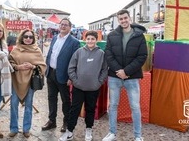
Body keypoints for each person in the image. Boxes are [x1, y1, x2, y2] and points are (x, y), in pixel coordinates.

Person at [102, 9, 147, 141]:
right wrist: (119, 71)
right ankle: (112, 133)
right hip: (115, 76)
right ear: (118, 20)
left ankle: (138, 136)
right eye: (121, 19)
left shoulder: (139, 35)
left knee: (135, 106)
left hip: (132, 77)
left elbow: (142, 56)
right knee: (113, 105)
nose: (123, 21)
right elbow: (108, 55)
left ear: (129, 18)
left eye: (125, 18)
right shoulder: (111, 35)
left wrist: (126, 71)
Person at [59, 30, 108, 141]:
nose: (90, 41)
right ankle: (70, 131)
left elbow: (105, 70)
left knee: (90, 109)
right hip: (78, 87)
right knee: (74, 109)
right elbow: (71, 68)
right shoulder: (79, 52)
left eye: (93, 39)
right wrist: (75, 81)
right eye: (88, 39)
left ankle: (89, 130)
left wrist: (99, 82)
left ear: (96, 40)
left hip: (93, 88)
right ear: (85, 40)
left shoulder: (101, 54)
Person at [42, 18, 80, 132]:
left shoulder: (74, 42)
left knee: (66, 100)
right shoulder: (54, 38)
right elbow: (50, 54)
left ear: (70, 27)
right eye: (61, 24)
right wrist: (46, 68)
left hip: (64, 76)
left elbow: (75, 61)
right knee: (51, 98)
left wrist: (71, 77)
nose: (63, 26)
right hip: (51, 73)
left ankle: (66, 122)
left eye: (66, 25)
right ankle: (52, 121)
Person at [8, 29, 46, 138]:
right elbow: (10, 62)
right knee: (14, 105)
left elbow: (43, 66)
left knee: (28, 106)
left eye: (30, 37)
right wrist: (17, 67)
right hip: (16, 81)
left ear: (33, 38)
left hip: (30, 81)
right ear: (22, 38)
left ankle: (26, 129)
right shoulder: (16, 49)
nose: (28, 39)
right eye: (26, 37)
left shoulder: (37, 50)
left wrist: (33, 66)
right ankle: (14, 128)